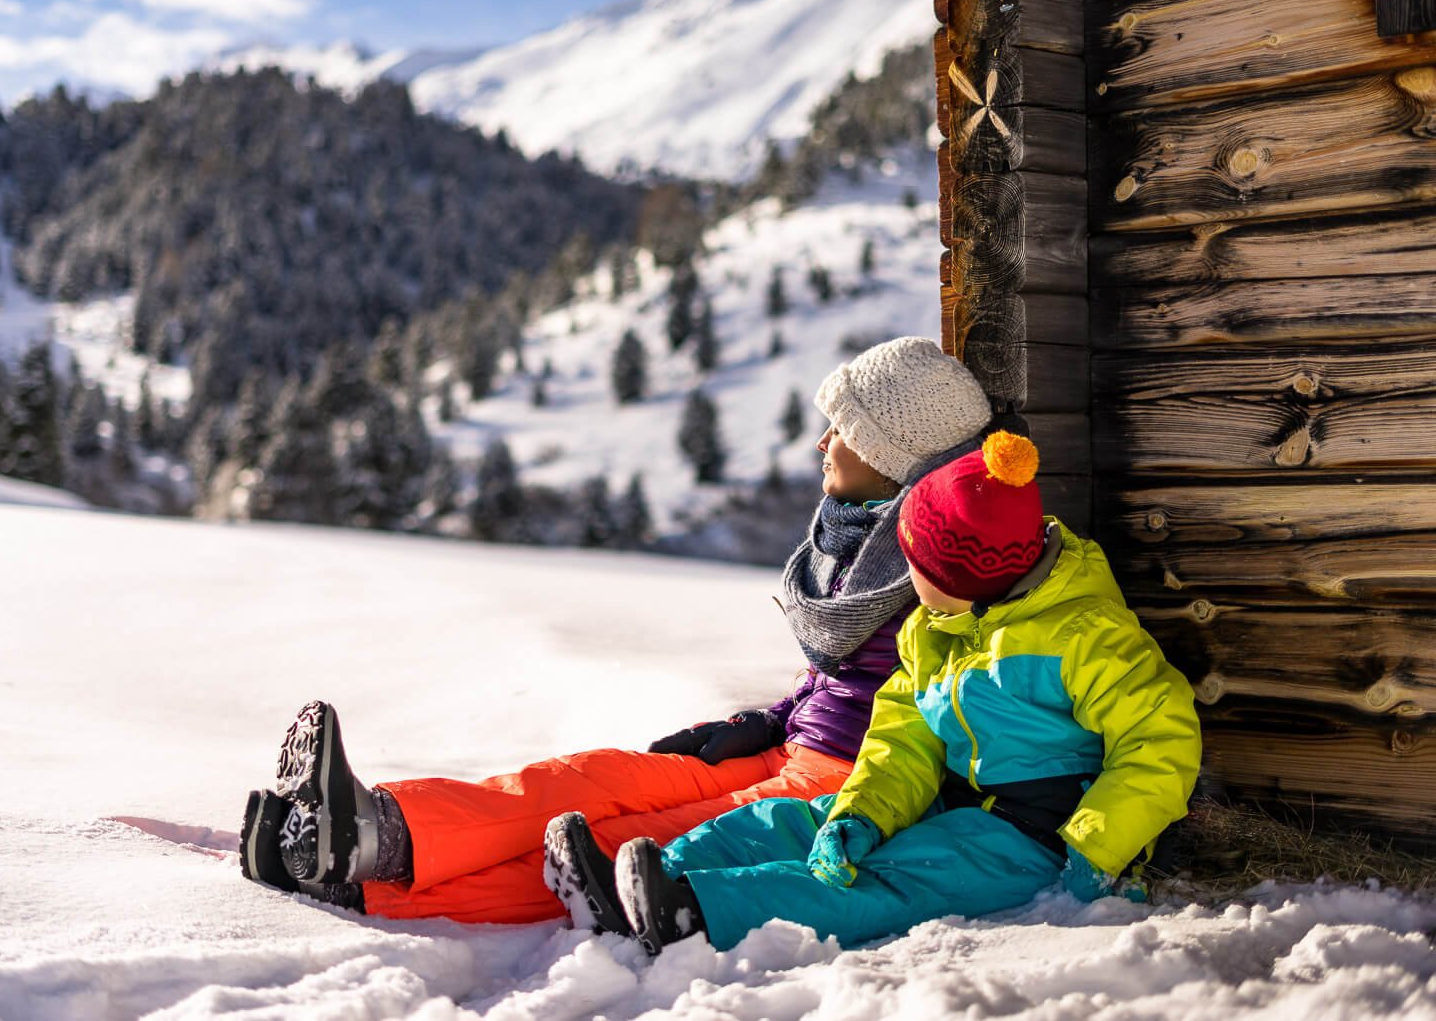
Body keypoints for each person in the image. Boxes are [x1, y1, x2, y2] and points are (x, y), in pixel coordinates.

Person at [238, 336, 995, 926]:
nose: (822, 444)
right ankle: (373, 831)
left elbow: (943, 701)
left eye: (844, 430)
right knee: (592, 779)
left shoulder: (943, 567)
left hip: (854, 781)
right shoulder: (858, 542)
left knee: (633, 840)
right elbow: (841, 676)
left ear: (894, 457)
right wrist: (762, 719)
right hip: (791, 744)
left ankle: (371, 891)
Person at [546, 432, 1202, 954]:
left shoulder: (1084, 635)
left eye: (918, 567)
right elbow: (903, 737)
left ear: (963, 576)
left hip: (1039, 837)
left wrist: (1097, 845)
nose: (909, 580)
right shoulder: (936, 629)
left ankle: (692, 910)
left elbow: (1161, 739)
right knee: (797, 821)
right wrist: (862, 813)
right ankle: (643, 877)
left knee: (882, 882)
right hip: (951, 801)